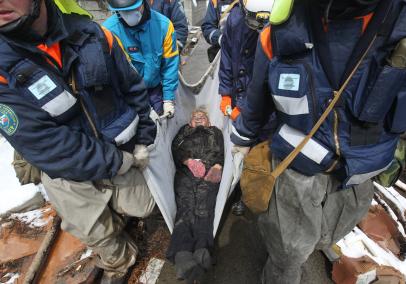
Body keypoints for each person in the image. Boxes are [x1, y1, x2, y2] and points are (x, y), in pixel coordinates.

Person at [231, 0, 406, 283]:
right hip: (298, 167)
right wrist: (244, 134)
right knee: (288, 253)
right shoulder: (279, 30)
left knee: (326, 234)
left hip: (359, 172)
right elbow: (257, 95)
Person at [0, 0, 157, 283]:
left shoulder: (93, 35)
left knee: (145, 206)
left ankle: (116, 213)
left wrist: (143, 141)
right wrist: (118, 162)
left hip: (118, 149)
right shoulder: (3, 68)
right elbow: (49, 146)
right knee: (95, 228)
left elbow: (134, 90)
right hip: (68, 168)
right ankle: (118, 255)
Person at [219, 0, 275, 215]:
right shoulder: (235, 17)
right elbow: (227, 57)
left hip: (265, 106)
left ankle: (252, 196)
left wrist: (245, 109)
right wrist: (225, 93)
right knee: (240, 150)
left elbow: (264, 79)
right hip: (240, 96)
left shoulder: (283, 26)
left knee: (262, 154)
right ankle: (239, 187)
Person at [166, 108, 224, 283]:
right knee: (186, 207)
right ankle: (182, 252)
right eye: (195, 116)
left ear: (209, 121)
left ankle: (202, 248)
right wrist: (188, 161)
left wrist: (217, 167)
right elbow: (175, 149)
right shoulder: (184, 131)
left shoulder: (215, 132)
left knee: (204, 207)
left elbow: (221, 152)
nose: (198, 118)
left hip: (209, 170)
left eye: (202, 116)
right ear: (190, 121)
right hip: (186, 172)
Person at [104, 0, 179, 118]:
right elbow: (116, 75)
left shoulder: (164, 26)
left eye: (133, 9)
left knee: (163, 125)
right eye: (124, 11)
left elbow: (170, 65)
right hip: (128, 97)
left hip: (155, 90)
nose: (129, 14)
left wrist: (168, 99)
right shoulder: (108, 32)